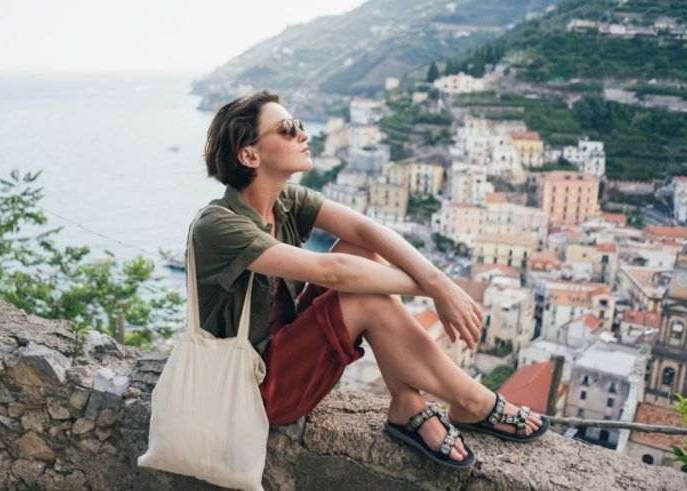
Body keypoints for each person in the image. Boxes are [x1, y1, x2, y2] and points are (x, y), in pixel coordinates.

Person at [191, 91, 548, 469]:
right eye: (288, 129)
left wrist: (440, 280)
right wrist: (433, 289)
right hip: (250, 391)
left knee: (360, 251)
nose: (302, 134)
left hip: (282, 357)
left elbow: (365, 230)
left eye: (298, 125)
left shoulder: (284, 202)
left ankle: (407, 404)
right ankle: (475, 402)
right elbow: (333, 273)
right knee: (362, 294)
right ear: (250, 155)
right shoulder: (218, 225)